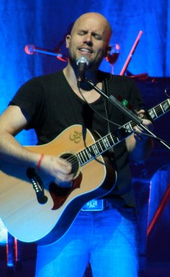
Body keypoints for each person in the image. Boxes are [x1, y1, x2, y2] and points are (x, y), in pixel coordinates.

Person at [0, 12, 153, 277]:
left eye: (97, 36)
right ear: (69, 40)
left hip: (115, 217)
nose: (88, 40)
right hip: (56, 216)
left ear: (106, 49)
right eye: (83, 33)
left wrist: (141, 138)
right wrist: (41, 162)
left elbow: (137, 155)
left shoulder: (123, 89)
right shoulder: (40, 89)